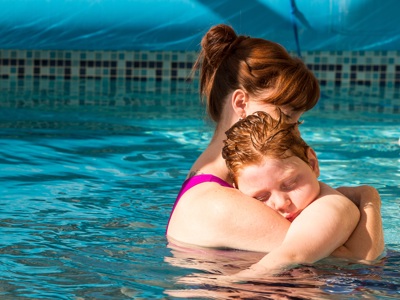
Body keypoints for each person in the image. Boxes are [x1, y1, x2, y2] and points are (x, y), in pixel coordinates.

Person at [166, 24, 384, 265]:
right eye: (287, 116)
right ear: (241, 103)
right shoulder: (218, 203)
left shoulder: (221, 184)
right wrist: (369, 198)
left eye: (297, 119)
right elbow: (354, 262)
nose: (295, 131)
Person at [222, 110, 360, 274]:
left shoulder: (331, 205)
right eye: (261, 197)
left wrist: (225, 284)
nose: (281, 203)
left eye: (290, 183)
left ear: (312, 163)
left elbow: (294, 255)